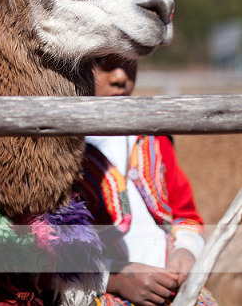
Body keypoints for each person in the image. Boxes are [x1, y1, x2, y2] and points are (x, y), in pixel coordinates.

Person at [77, 56, 216, 306]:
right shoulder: (60, 156)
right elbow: (47, 250)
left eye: (128, 62)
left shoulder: (154, 140)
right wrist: (116, 279)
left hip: (171, 292)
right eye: (102, 61)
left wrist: (185, 251)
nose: (119, 77)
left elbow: (185, 216)